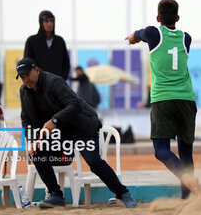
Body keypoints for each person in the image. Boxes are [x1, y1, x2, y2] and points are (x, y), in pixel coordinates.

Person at [16, 57, 137, 208]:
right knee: (36, 153)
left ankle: (123, 193)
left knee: (94, 163)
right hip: (60, 133)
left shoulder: (54, 82)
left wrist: (54, 121)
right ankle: (56, 195)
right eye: (22, 76)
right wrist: (31, 141)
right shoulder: (24, 91)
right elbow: (26, 118)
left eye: (27, 74)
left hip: (81, 127)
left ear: (37, 70)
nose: (25, 78)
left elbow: (74, 105)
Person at [125, 0, 201, 199]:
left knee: (161, 151)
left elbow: (139, 34)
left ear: (158, 18)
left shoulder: (153, 33)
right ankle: (189, 200)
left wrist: (133, 37)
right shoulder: (186, 38)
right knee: (186, 154)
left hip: (163, 100)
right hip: (186, 99)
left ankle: (189, 181)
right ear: (178, 18)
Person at [24, 10, 70, 80]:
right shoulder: (32, 41)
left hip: (57, 86)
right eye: (46, 21)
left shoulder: (60, 41)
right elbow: (28, 64)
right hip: (39, 86)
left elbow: (66, 64)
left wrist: (61, 80)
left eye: (52, 21)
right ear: (41, 22)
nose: (49, 24)